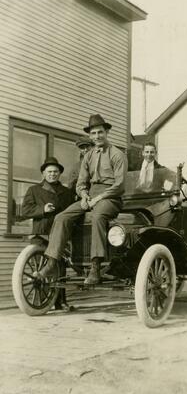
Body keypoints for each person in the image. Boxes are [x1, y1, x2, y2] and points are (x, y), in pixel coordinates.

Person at [33, 114, 128, 285]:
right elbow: (81, 182)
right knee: (61, 217)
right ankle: (52, 261)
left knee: (97, 216)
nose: (97, 136)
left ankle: (96, 266)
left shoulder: (117, 155)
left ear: (106, 132)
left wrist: (98, 197)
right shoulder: (88, 156)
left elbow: (120, 186)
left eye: (100, 132)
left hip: (111, 198)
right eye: (93, 133)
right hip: (90, 196)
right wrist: (84, 195)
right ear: (90, 136)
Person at [22, 157, 74, 236]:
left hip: (61, 234)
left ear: (59, 173)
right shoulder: (34, 190)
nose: (52, 174)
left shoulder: (67, 192)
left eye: (55, 171)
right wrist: (43, 209)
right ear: (44, 173)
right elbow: (26, 211)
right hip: (41, 234)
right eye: (49, 171)